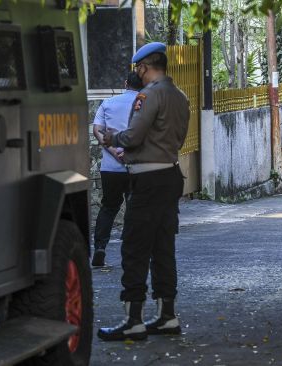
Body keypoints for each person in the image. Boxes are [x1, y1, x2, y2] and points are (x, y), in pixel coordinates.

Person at [98, 42, 190, 341]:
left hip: (147, 179)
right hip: (170, 174)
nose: (139, 72)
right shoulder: (180, 96)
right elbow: (178, 137)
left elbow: (133, 137)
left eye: (139, 67)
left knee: (135, 247)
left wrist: (111, 135)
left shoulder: (148, 95)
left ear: (144, 67)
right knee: (164, 247)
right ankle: (167, 315)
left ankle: (133, 319)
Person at [90, 72, 144, 267]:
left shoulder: (108, 103)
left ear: (125, 83)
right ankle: (132, 252)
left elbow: (98, 130)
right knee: (135, 209)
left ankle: (100, 248)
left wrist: (114, 151)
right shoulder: (144, 104)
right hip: (136, 167)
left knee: (109, 207)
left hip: (110, 168)